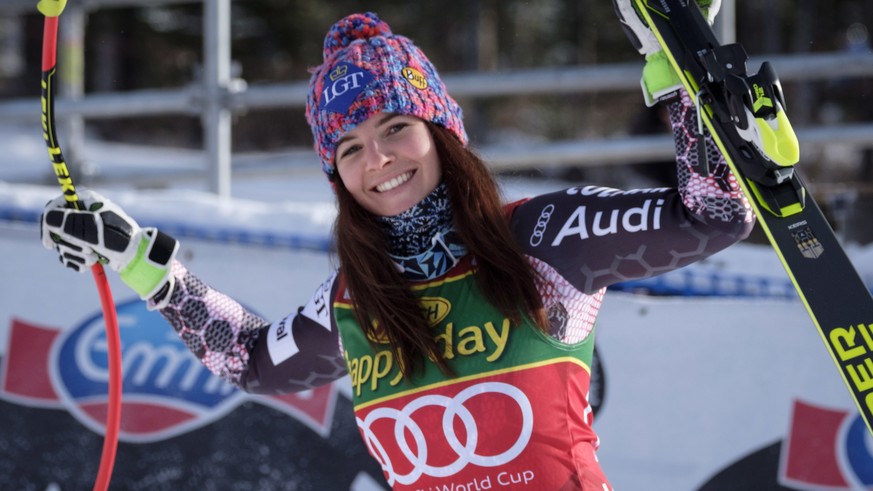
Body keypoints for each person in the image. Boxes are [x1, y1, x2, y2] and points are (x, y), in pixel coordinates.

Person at [41, 3, 750, 490]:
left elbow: (715, 214)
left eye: (393, 128)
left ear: (440, 129)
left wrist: (671, 68)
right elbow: (253, 360)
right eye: (348, 147)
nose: (376, 160)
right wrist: (140, 261)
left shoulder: (542, 237)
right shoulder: (355, 297)